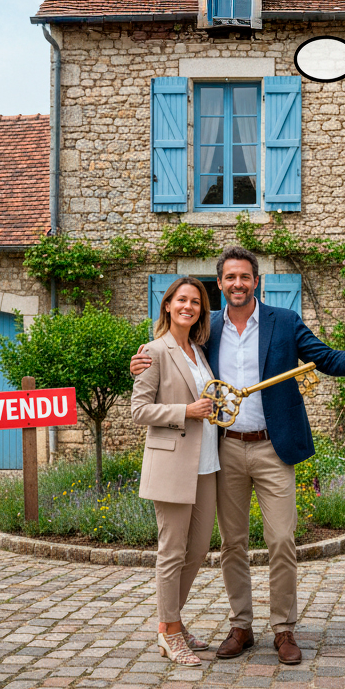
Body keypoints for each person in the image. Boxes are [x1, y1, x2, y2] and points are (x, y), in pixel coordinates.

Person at [131, 246, 345, 665]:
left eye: (245, 277)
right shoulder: (209, 331)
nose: (237, 284)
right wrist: (139, 361)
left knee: (281, 539)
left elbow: (327, 359)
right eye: (230, 278)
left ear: (256, 282)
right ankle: (241, 625)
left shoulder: (285, 322)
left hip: (273, 448)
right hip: (225, 450)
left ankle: (284, 629)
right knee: (232, 544)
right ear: (220, 284)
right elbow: (172, 361)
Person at [131, 276, 218, 668]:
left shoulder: (200, 351)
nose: (188, 306)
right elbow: (139, 411)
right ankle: (168, 631)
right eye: (181, 300)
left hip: (207, 463)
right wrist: (186, 411)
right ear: (167, 305)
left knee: (198, 549)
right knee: (171, 552)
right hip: (171, 463)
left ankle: (174, 624)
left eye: (196, 302)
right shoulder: (154, 351)